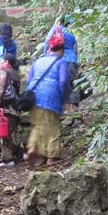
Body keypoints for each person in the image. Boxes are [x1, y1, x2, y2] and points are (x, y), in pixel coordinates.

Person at [26, 35, 70, 166]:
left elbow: (29, 80)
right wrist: (64, 97)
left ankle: (32, 147)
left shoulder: (38, 61)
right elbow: (63, 81)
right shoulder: (61, 62)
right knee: (52, 127)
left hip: (34, 96)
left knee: (37, 125)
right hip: (51, 96)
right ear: (61, 51)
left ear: (49, 48)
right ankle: (52, 157)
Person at [0, 54, 23, 165]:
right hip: (15, 107)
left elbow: (1, 86)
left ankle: (8, 159)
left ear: (7, 62)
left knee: (6, 133)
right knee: (14, 131)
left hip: (7, 107)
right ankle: (18, 155)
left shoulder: (4, 72)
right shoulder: (15, 73)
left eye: (1, 61)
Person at [44, 14, 79, 112]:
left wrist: (45, 55)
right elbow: (75, 49)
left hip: (58, 60)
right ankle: (73, 108)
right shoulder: (72, 33)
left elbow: (47, 42)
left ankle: (61, 107)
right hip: (71, 60)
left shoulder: (56, 29)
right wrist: (76, 61)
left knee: (60, 81)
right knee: (73, 83)